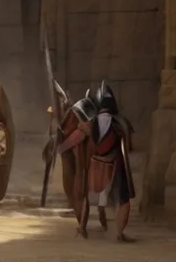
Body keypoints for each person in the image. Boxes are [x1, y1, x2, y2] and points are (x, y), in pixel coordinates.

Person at [57, 81, 136, 242]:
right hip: (113, 166)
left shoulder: (88, 124)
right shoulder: (120, 124)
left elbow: (72, 141)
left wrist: (58, 147)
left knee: (86, 196)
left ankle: (82, 229)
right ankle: (119, 233)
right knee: (123, 200)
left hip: (94, 165)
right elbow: (129, 146)